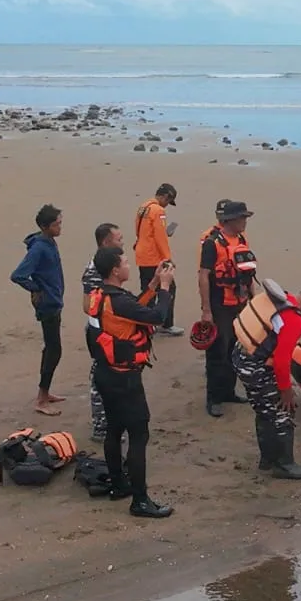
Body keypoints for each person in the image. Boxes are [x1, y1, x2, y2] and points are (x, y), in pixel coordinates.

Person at [85, 245, 176, 518]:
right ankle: (140, 500)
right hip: (124, 379)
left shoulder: (100, 295)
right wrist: (165, 287)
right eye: (125, 261)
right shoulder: (118, 301)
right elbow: (157, 317)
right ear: (115, 270)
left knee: (114, 428)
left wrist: (151, 284)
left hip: (104, 373)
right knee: (139, 434)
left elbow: (131, 311)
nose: (128, 264)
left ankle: (118, 484)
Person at [232, 279, 301, 479]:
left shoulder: (279, 299)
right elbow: (281, 360)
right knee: (283, 412)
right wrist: (286, 390)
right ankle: (285, 464)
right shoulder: (293, 319)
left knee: (263, 409)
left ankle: (267, 460)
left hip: (240, 357)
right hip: (256, 366)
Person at [198, 199, 258, 417]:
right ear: (230, 220)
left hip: (239, 304)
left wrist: (253, 299)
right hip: (219, 305)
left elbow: (247, 271)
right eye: (243, 218)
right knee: (217, 352)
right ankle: (213, 398)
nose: (245, 222)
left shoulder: (242, 239)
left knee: (235, 349)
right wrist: (206, 310)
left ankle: (228, 391)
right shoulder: (212, 244)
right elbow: (204, 275)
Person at [10, 203, 66, 416]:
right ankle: (41, 399)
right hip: (48, 304)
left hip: (54, 300)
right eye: (56, 224)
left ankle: (46, 392)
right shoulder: (39, 248)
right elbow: (18, 275)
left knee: (51, 349)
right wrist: (35, 289)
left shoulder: (50, 242)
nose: (60, 227)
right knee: (54, 350)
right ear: (45, 226)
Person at [82, 222, 123, 442]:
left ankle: (109, 422)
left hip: (107, 329)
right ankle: (100, 427)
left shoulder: (106, 265)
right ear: (107, 242)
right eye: (119, 238)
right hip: (100, 332)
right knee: (101, 378)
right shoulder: (95, 269)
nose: (122, 242)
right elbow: (87, 304)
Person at [134, 183, 183, 337]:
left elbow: (139, 228)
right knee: (168, 287)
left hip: (142, 253)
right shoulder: (158, 211)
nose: (167, 205)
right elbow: (160, 237)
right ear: (165, 196)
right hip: (153, 257)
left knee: (147, 288)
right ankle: (165, 323)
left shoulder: (143, 207)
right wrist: (167, 258)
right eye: (168, 201)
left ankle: (145, 323)